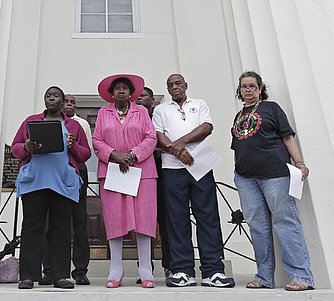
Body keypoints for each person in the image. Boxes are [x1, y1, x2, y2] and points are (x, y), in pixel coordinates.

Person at [231, 71, 314, 291]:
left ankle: (301, 277)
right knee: (258, 227)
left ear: (260, 89)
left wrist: (300, 163)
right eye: (244, 87)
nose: (247, 90)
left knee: (285, 222)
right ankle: (264, 277)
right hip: (246, 178)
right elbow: (237, 147)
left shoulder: (272, 108)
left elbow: (287, 137)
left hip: (275, 174)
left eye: (252, 86)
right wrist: (237, 171)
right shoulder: (239, 115)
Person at [152, 74, 235, 288]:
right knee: (177, 220)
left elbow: (206, 128)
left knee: (208, 216)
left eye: (178, 83)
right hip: (172, 169)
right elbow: (158, 136)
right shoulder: (161, 110)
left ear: (186, 86)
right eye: (170, 85)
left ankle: (213, 271)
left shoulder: (199, 104)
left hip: (200, 166)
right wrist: (177, 152)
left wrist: (181, 143)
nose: (174, 87)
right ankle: (182, 270)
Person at [10, 86, 91, 290]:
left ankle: (60, 275)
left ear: (63, 101)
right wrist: (26, 147)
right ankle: (28, 276)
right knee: (32, 227)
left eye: (56, 96)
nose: (51, 98)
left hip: (62, 183)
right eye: (48, 96)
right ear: (44, 100)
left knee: (61, 229)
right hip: (35, 181)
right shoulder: (31, 121)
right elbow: (15, 148)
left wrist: (73, 145)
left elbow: (85, 154)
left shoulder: (73, 125)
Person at [92, 74, 158, 288]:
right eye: (117, 88)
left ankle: (146, 269)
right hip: (113, 171)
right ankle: (115, 269)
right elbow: (97, 140)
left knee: (143, 219)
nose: (121, 91)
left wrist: (133, 154)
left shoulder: (142, 112)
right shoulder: (103, 113)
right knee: (115, 219)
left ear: (131, 93)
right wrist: (114, 155)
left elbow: (151, 137)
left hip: (141, 172)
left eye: (125, 88)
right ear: (112, 94)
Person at [40, 94, 92, 285]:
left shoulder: (80, 125)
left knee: (79, 223)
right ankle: (49, 270)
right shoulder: (44, 121)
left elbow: (86, 151)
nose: (68, 105)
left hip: (77, 170)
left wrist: (73, 145)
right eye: (66, 102)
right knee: (49, 224)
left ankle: (79, 270)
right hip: (52, 173)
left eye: (72, 102)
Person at [136, 87, 171, 278]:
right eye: (138, 96)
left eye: (144, 96)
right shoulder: (132, 119)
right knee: (142, 222)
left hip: (164, 174)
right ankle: (144, 266)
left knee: (166, 221)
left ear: (152, 100)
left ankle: (170, 265)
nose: (140, 99)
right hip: (139, 176)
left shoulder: (161, 119)